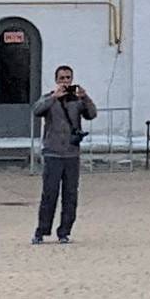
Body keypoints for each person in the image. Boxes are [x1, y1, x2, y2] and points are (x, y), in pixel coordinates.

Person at [32, 62, 96, 242]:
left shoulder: (77, 101)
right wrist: (54, 97)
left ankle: (64, 232)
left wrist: (85, 98)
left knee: (70, 195)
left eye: (68, 78)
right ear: (56, 80)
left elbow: (91, 114)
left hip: (71, 153)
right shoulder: (48, 98)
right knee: (49, 194)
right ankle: (42, 231)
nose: (65, 82)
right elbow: (37, 110)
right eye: (62, 78)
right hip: (53, 152)